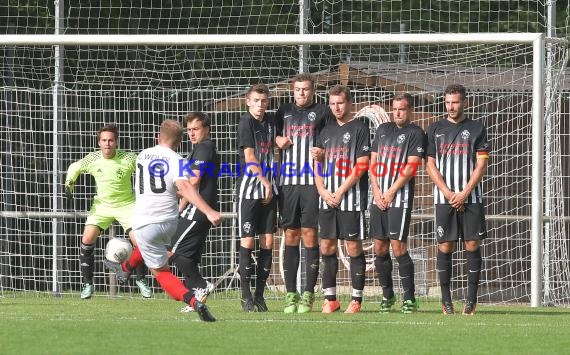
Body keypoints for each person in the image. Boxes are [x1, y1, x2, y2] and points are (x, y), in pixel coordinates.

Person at [105, 119, 222, 322]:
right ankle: (124, 270)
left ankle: (195, 301)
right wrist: (208, 210)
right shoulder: (177, 159)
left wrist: (208, 211)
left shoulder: (142, 155)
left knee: (162, 273)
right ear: (178, 142)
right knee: (154, 245)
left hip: (144, 221)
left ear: (158, 137)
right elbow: (183, 187)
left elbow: (183, 187)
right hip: (169, 222)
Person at [64, 123, 152, 299]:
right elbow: (75, 167)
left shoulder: (128, 158)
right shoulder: (93, 158)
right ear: (99, 143)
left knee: (140, 241)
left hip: (127, 205)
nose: (107, 144)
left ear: (116, 142)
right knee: (87, 239)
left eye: (111, 140)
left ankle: (141, 280)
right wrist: (69, 184)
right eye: (104, 140)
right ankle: (88, 285)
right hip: (102, 206)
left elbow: (146, 170)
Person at [425, 84, 490, 316]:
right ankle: (446, 301)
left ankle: (471, 302)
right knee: (445, 245)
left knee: (472, 245)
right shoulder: (434, 129)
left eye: (455, 102)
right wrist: (447, 192)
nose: (451, 107)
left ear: (465, 103)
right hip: (444, 199)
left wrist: (464, 192)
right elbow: (430, 164)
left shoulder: (477, 128)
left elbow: (481, 164)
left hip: (471, 197)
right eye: (448, 102)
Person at [275, 73, 333, 313]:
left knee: (310, 235)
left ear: (313, 91)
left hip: (312, 182)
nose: (301, 93)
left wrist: (324, 153)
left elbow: (333, 141)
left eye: (306, 89)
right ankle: (291, 294)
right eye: (298, 89)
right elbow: (274, 136)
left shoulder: (323, 112)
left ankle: (308, 293)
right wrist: (278, 139)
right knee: (290, 235)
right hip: (288, 183)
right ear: (293, 91)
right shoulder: (283, 111)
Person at [368, 93, 426, 314]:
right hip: (378, 198)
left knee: (398, 247)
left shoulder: (416, 133)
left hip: (399, 199)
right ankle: (387, 295)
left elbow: (411, 168)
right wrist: (377, 191)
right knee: (379, 248)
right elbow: (373, 163)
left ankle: (409, 298)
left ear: (409, 110)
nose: (398, 113)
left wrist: (391, 192)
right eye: (394, 109)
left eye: (402, 109)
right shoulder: (383, 130)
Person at [315, 85, 370, 314]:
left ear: (349, 104)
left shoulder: (360, 128)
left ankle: (356, 299)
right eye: (333, 103)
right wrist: (322, 191)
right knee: (326, 246)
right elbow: (316, 164)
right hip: (326, 198)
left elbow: (362, 165)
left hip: (351, 199)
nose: (336, 107)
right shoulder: (325, 131)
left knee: (353, 247)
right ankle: (331, 299)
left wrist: (340, 191)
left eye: (340, 103)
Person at [170, 112, 220, 313]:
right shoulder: (198, 149)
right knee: (188, 256)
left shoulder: (204, 147)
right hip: (194, 209)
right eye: (188, 130)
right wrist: (179, 209)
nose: (191, 133)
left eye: (195, 129)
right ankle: (195, 299)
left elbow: (194, 181)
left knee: (170, 249)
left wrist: (176, 190)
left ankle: (200, 285)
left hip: (198, 210)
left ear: (206, 129)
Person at [236, 83, 278, 312]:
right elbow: (250, 156)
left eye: (264, 101)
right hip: (250, 190)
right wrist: (264, 181)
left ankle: (260, 296)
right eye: (256, 101)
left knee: (268, 242)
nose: (260, 105)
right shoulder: (246, 122)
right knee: (248, 242)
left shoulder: (271, 121)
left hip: (270, 190)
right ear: (248, 101)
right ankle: (245, 297)